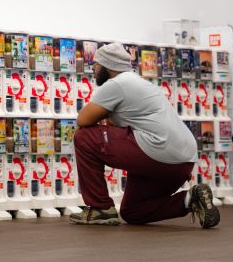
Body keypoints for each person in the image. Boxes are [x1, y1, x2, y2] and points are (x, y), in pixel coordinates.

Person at [71, 42, 219, 228]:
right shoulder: (139, 82)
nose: (93, 69)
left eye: (96, 64)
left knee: (84, 137)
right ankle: (190, 199)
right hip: (182, 161)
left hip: (158, 150)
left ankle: (100, 209)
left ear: (107, 66)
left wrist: (105, 114)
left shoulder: (117, 84)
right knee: (132, 211)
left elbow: (83, 120)